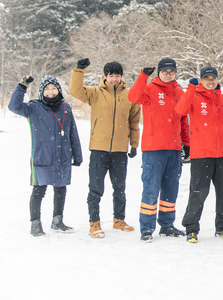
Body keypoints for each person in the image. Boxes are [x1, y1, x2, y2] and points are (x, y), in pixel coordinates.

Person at [71, 58, 141, 238]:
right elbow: (76, 90)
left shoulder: (129, 95)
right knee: (96, 188)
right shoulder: (95, 93)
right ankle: (94, 223)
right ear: (105, 76)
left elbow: (134, 122)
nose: (114, 79)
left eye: (117, 76)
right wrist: (79, 71)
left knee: (120, 187)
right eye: (111, 76)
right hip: (99, 149)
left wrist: (134, 144)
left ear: (122, 76)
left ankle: (119, 220)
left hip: (119, 150)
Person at [9, 75, 83, 236]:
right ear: (42, 91)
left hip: (62, 156)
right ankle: (35, 224)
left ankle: (57, 221)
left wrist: (77, 154)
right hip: (42, 156)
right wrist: (22, 86)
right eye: (47, 89)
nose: (50, 92)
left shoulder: (66, 107)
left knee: (61, 189)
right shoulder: (34, 107)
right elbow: (14, 106)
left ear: (58, 90)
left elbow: (72, 133)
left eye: (54, 88)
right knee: (38, 190)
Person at [128, 58, 191, 242]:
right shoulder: (149, 88)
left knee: (171, 190)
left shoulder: (179, 92)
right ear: (159, 72)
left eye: (172, 71)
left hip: (173, 149)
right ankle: (147, 228)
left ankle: (167, 225)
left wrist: (186, 144)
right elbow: (133, 97)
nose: (169, 74)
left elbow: (183, 121)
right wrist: (142, 76)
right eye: (165, 71)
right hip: (153, 149)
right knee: (151, 189)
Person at [175, 66, 223, 243]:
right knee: (198, 192)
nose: (211, 81)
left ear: (217, 79)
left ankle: (222, 226)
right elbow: (180, 110)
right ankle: (191, 228)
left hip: (220, 155)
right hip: (201, 154)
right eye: (207, 78)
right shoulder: (194, 96)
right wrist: (190, 88)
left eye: (213, 78)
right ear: (201, 80)